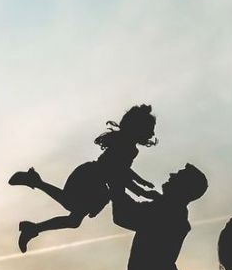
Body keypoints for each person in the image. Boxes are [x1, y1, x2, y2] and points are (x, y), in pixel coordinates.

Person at [8, 105, 158, 253]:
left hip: (95, 181)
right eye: (150, 128)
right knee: (70, 206)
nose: (152, 133)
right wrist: (141, 191)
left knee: (73, 220)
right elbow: (118, 173)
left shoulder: (127, 147)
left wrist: (141, 182)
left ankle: (33, 226)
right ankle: (35, 186)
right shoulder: (127, 147)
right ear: (138, 128)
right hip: (90, 178)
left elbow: (122, 170)